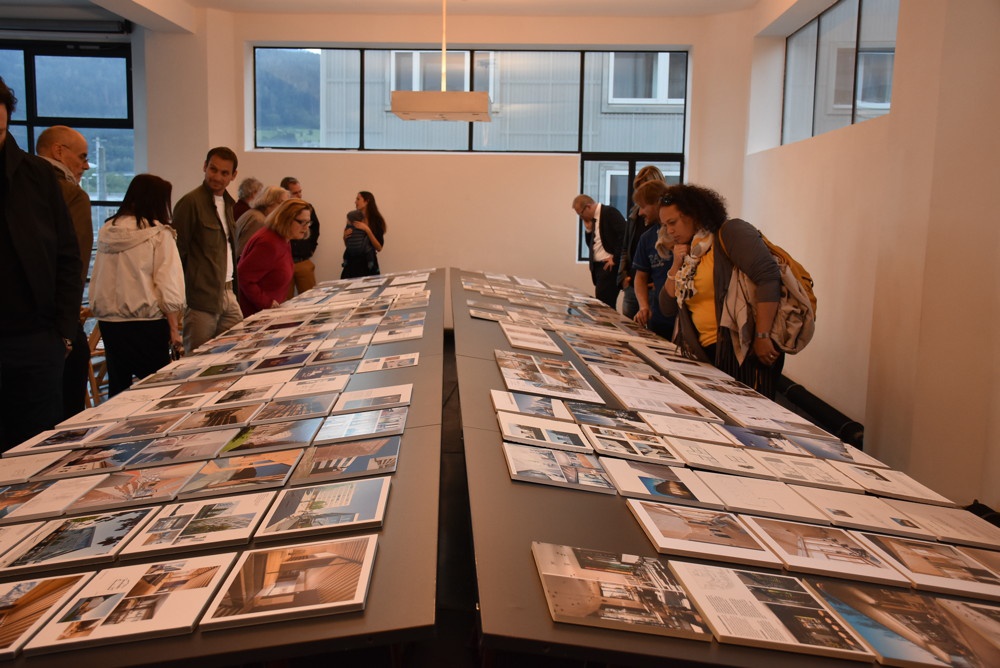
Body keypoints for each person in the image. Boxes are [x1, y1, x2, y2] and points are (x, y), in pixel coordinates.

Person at [0, 76, 83, 449]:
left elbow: (67, 255)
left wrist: (62, 332)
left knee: (34, 450)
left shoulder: (36, 176)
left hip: (35, 340)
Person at [658, 184, 784, 398]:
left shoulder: (731, 233)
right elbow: (666, 307)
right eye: (665, 225)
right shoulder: (692, 253)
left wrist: (762, 335)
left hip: (741, 351)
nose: (669, 231)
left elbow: (769, 278)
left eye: (673, 223)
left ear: (694, 214)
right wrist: (676, 264)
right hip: (707, 355)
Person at [89, 174, 186, 397]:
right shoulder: (159, 234)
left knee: (118, 388)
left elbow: (98, 276)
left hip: (110, 323)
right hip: (147, 322)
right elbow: (167, 284)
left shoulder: (107, 231)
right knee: (158, 390)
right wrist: (174, 329)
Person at [36, 125, 93, 419]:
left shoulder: (19, 188)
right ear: (59, 151)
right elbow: (74, 264)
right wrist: (67, 330)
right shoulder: (70, 195)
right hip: (53, 327)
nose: (85, 165)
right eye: (82, 156)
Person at [173, 146, 242, 353]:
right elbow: (177, 252)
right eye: (213, 169)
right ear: (205, 166)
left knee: (235, 353)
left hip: (228, 292)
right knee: (197, 358)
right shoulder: (190, 202)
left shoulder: (228, 204)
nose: (217, 177)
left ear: (233, 176)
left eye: (224, 173)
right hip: (201, 298)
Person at [237, 198, 312, 317]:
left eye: (308, 223)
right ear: (286, 219)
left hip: (270, 312)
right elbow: (244, 277)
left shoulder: (284, 239)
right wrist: (267, 303)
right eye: (302, 222)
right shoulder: (268, 242)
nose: (306, 228)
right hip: (257, 314)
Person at [631, 180, 675, 339]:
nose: (640, 213)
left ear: (657, 203)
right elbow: (640, 276)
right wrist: (644, 306)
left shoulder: (686, 237)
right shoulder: (647, 238)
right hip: (660, 318)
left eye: (643, 206)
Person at [572, 194, 625, 309]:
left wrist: (615, 258)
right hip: (598, 268)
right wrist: (588, 230)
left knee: (604, 306)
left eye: (580, 213)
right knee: (601, 303)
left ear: (588, 207)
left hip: (608, 266)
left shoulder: (609, 212)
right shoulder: (593, 220)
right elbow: (592, 246)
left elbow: (624, 235)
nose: (581, 217)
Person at [280, 177, 321, 295]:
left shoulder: (308, 208)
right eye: (295, 193)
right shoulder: (280, 211)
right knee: (285, 299)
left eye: (300, 191)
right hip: (284, 263)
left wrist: (311, 248)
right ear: (286, 194)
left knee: (311, 297)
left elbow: (315, 228)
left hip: (303, 261)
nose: (299, 195)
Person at [235, 185, 289, 259]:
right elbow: (245, 253)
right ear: (270, 201)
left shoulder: (254, 214)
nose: (284, 209)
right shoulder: (258, 220)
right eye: (281, 203)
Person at [341, 190, 386, 279]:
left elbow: (379, 247)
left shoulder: (376, 221)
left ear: (366, 201)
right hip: (351, 264)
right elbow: (349, 245)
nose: (355, 202)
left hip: (368, 264)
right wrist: (345, 237)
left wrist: (367, 230)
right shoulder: (352, 218)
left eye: (358, 199)